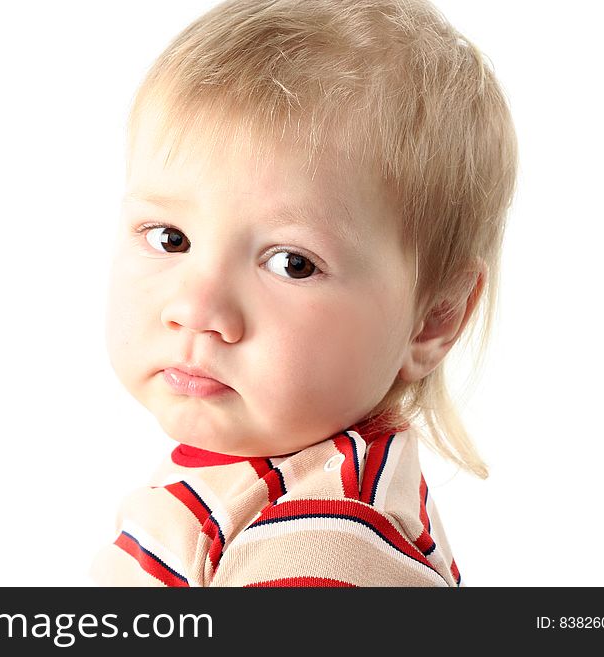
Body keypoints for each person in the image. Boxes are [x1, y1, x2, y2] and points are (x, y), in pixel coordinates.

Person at [92, 0, 517, 587]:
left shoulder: (322, 545)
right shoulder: (268, 488)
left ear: (433, 320)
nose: (196, 310)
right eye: (171, 238)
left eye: (292, 263)